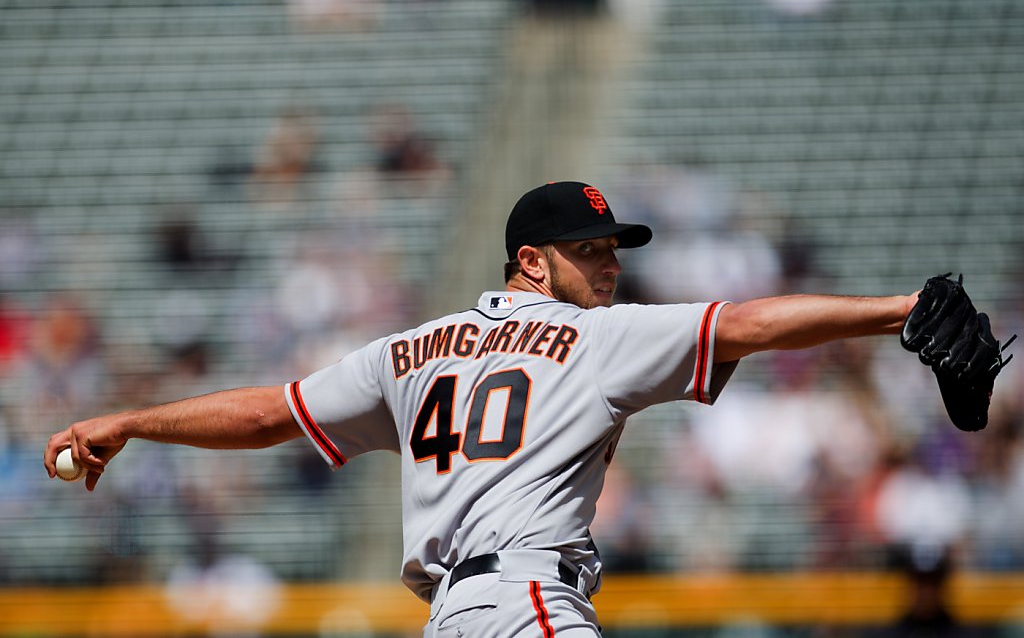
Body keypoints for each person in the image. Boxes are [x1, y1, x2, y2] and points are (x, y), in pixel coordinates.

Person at [46, 181, 919, 636]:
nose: (609, 267)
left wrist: (131, 420)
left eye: (613, 249)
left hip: (451, 619)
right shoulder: (598, 338)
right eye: (589, 251)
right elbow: (755, 323)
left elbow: (268, 414)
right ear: (532, 262)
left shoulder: (408, 351)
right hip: (531, 600)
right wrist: (901, 310)